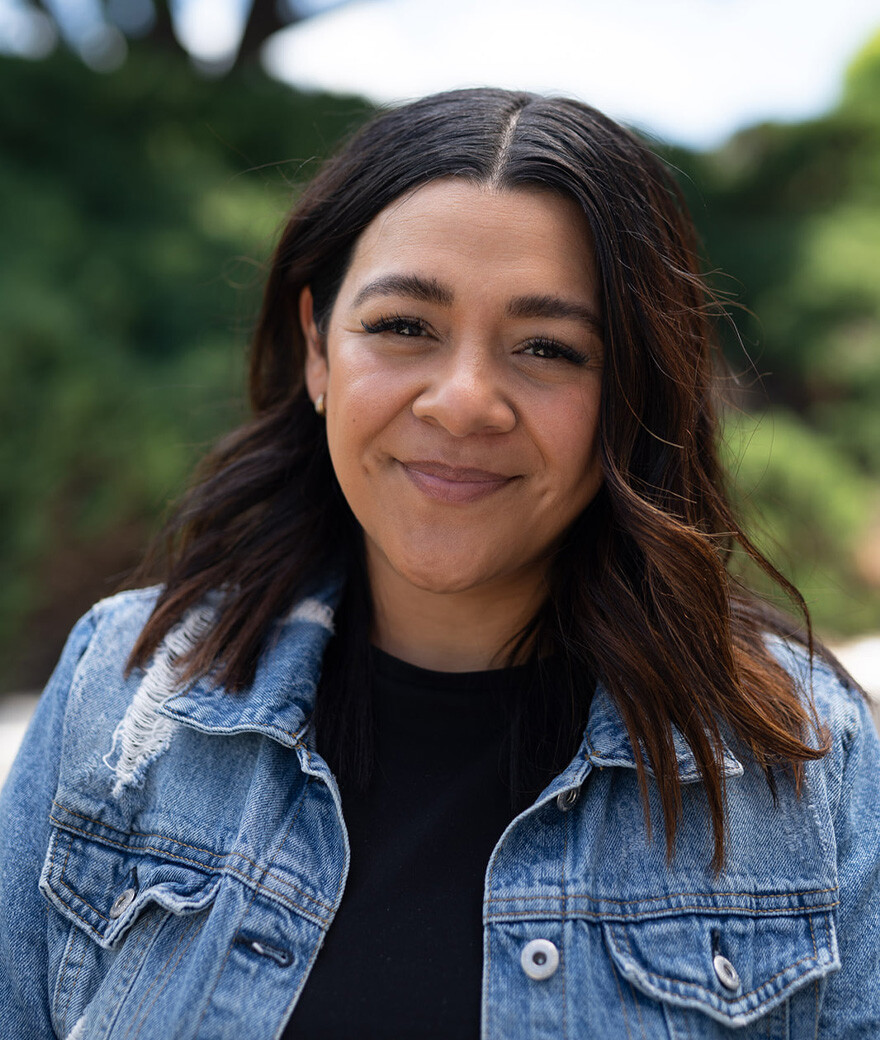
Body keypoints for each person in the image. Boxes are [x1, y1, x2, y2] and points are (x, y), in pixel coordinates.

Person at [0, 87, 878, 1040]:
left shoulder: (807, 762)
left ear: (634, 391)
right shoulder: (124, 687)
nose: (463, 402)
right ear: (318, 349)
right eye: (404, 326)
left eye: (549, 347)